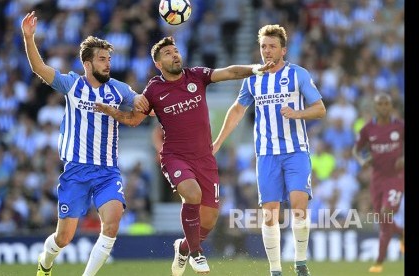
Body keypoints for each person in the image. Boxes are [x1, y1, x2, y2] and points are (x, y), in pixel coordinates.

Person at [93, 36, 274, 275]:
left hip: (205, 158)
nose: (175, 55)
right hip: (175, 156)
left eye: (175, 51)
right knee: (192, 193)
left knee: (208, 221)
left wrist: (255, 69)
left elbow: (229, 72)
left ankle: (183, 247)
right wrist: (112, 111)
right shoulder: (154, 89)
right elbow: (134, 119)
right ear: (158, 63)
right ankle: (197, 253)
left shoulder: (196, 75)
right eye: (167, 53)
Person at [21, 11, 144, 276]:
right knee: (63, 238)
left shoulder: (119, 89)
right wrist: (28, 37)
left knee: (111, 225)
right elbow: (39, 69)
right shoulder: (72, 85)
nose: (108, 64)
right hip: (76, 170)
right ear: (87, 64)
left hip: (108, 171)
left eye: (109, 59)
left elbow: (143, 106)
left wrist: (155, 103)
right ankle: (45, 262)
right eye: (102, 59)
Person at [212, 24, 326, 276]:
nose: (267, 51)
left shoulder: (298, 74)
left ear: (283, 50)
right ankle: (275, 269)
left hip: (296, 151)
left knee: (299, 204)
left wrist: (297, 113)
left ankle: (300, 263)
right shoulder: (253, 78)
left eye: (272, 46)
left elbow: (319, 108)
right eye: (263, 46)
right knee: (269, 214)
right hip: (266, 154)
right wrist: (218, 142)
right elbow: (237, 110)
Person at [352, 92, 404, 273]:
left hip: (396, 178)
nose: (383, 107)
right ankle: (402, 233)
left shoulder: (400, 126)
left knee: (386, 212)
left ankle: (379, 262)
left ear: (391, 106)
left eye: (386, 103)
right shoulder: (367, 129)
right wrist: (361, 160)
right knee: (383, 220)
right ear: (375, 107)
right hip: (377, 179)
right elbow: (356, 150)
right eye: (380, 104)